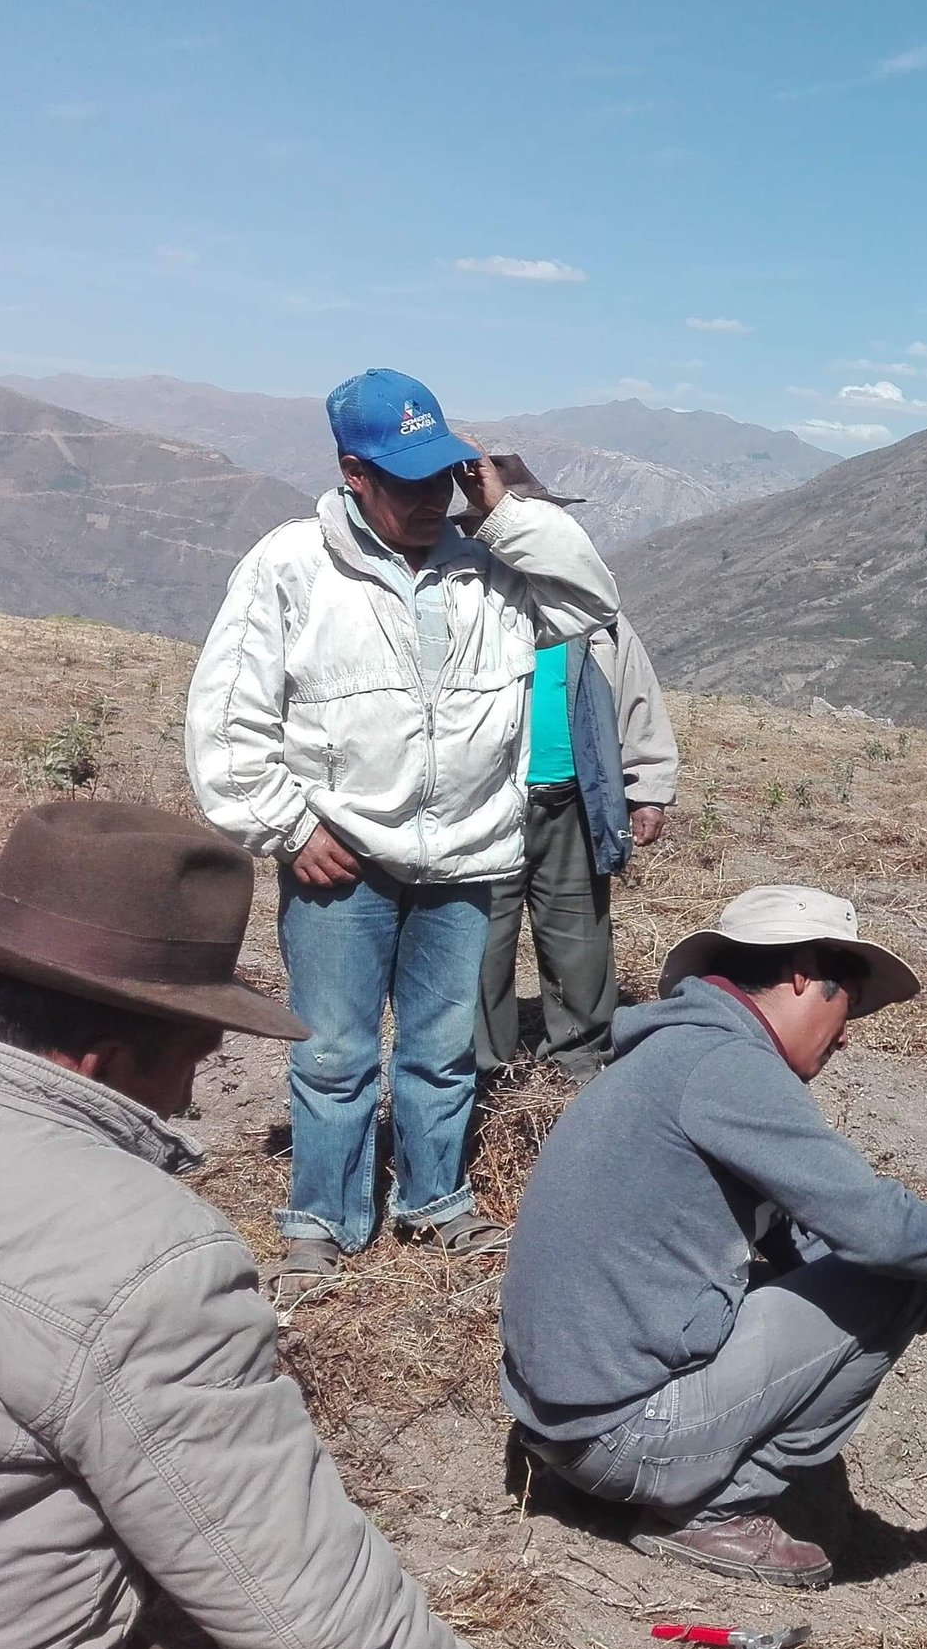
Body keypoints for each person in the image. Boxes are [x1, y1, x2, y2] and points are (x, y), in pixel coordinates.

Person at [0, 802, 598, 1649]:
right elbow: (289, 1589)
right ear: (107, 1057)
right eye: (195, 1061)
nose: (181, 1108)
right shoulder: (136, 1249)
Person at [187, 371, 619, 1305]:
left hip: (466, 859)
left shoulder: (489, 562)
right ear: (353, 471)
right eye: (407, 480)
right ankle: (323, 1222)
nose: (432, 499)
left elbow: (591, 605)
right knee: (336, 1051)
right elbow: (230, 719)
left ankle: (435, 1198)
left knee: (440, 1047)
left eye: (443, 477)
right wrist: (288, 823)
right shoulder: (289, 565)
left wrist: (506, 510)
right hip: (342, 862)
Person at [499, 886, 927, 1587]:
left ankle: (622, 1478)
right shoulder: (730, 1068)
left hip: (553, 1424)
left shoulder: (681, 1051)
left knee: (871, 1282)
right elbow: (876, 1232)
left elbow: (801, 1248)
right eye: (848, 1008)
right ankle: (716, 1509)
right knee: (883, 1276)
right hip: (615, 1435)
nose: (846, 1035)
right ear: (804, 976)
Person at [470, 455, 680, 1083]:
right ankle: (484, 1066)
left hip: (573, 799)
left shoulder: (601, 620)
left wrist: (648, 790)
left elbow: (637, 700)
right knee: (482, 940)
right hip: (488, 803)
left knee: (579, 936)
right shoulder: (478, 605)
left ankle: (580, 1054)